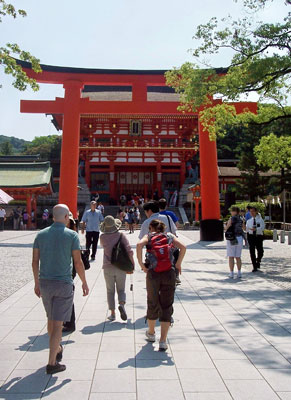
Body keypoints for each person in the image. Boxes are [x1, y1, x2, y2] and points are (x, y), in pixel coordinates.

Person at [32, 204, 89, 374]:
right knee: (58, 324)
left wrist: (36, 282)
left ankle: (57, 349)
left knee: (51, 319)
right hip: (63, 283)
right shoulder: (72, 235)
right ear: (66, 217)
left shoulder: (40, 235)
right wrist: (84, 282)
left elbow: (35, 261)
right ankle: (52, 363)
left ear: (52, 217)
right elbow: (78, 262)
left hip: (45, 282)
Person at [136, 220, 186, 351]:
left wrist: (141, 265)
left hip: (153, 273)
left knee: (152, 302)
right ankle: (163, 340)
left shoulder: (149, 237)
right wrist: (178, 264)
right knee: (167, 305)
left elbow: (139, 245)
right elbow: (183, 247)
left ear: (150, 228)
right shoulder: (169, 236)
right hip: (169, 273)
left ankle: (151, 333)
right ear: (163, 228)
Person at [100, 215, 134, 321]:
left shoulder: (102, 237)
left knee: (110, 290)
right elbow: (129, 251)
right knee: (121, 289)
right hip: (121, 266)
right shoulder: (121, 235)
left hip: (107, 266)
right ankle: (122, 305)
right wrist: (132, 265)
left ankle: (113, 313)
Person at [63, 212, 78, 333]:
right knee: (67, 295)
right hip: (67, 267)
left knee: (67, 296)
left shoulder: (72, 235)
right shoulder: (72, 234)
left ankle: (69, 323)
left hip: (68, 268)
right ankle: (66, 321)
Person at [225, 206, 244, 279]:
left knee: (231, 256)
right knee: (238, 257)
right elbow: (244, 228)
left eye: (232, 211)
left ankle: (231, 273)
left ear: (234, 212)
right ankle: (239, 273)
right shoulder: (241, 219)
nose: (231, 212)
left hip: (232, 238)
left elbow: (227, 227)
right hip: (239, 238)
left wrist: (225, 226)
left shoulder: (231, 219)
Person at [246, 206, 265, 272]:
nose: (252, 213)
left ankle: (258, 260)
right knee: (252, 251)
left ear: (256, 211)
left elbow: (262, 228)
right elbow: (247, 229)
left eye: (253, 211)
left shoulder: (260, 220)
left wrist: (256, 229)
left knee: (260, 251)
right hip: (251, 236)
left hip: (258, 236)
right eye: (250, 211)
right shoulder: (249, 221)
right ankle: (254, 266)